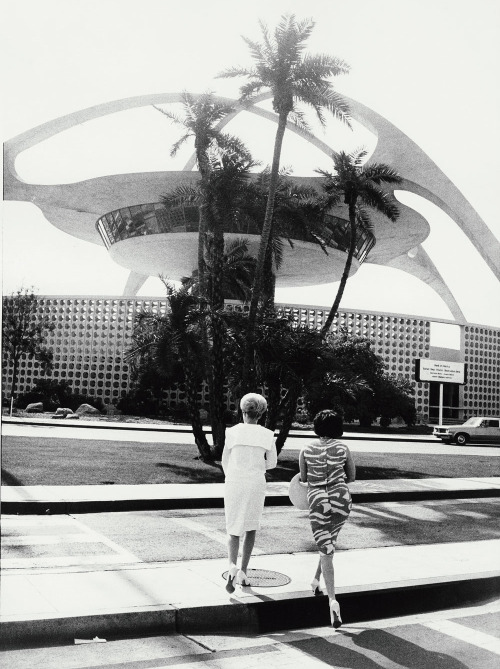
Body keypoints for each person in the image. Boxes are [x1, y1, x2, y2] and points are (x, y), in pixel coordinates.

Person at [299, 410, 356, 628]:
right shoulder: (343, 448)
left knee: (325, 547)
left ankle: (332, 600)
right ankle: (315, 581)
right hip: (341, 498)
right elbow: (351, 476)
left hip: (318, 499)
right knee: (328, 544)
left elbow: (303, 478)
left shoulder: (306, 448)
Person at [222, 393, 277, 593]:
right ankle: (243, 571)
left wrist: (234, 474)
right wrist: (255, 467)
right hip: (256, 483)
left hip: (234, 481)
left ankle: (231, 566)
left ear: (242, 411)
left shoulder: (232, 432)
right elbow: (272, 463)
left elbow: (225, 461)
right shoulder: (267, 434)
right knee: (251, 527)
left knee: (233, 528)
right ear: (260, 414)